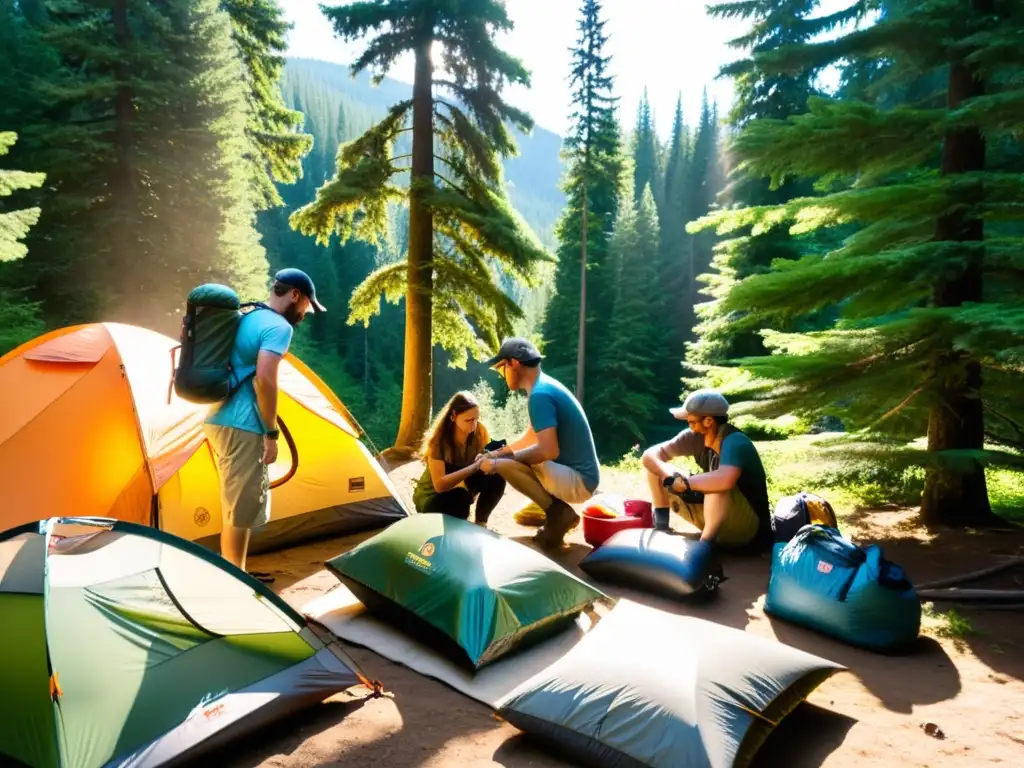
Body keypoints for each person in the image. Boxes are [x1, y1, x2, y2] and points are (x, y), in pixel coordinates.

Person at [204, 268, 325, 578]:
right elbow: (265, 380)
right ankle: (235, 580)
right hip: (242, 424)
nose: (305, 313)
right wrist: (271, 433)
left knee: (236, 506)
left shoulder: (250, 316)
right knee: (239, 511)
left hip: (220, 418)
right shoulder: (279, 327)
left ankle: (237, 570)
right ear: (295, 295)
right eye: (307, 306)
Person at [476, 337, 601, 549]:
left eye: (500, 368)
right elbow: (529, 439)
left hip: (578, 480)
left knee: (506, 466)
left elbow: (548, 450)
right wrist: (495, 453)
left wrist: (499, 461)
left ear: (513, 363)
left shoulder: (540, 396)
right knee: (508, 460)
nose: (502, 375)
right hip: (580, 476)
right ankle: (557, 514)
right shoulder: (544, 387)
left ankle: (558, 514)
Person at [641, 389, 772, 564]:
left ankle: (704, 549)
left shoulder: (735, 441)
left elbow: (725, 479)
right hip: (717, 519)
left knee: (716, 485)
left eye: (692, 422)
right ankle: (661, 525)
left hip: (746, 531)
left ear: (708, 421)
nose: (690, 426)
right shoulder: (694, 437)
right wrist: (668, 476)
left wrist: (686, 483)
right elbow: (650, 455)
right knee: (656, 468)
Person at [412, 391, 507, 525]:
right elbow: (440, 485)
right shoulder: (438, 442)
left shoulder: (479, 432)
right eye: (468, 420)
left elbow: (491, 453)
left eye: (476, 419)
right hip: (432, 498)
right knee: (460, 497)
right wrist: (474, 467)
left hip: (461, 487)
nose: (473, 425)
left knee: (498, 473)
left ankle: (481, 522)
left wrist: (490, 456)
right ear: (453, 416)